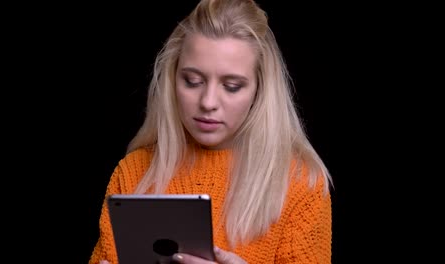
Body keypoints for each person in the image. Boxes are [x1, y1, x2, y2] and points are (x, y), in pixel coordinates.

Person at [89, 0, 333, 263]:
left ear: (260, 91)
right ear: (172, 79)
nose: (207, 102)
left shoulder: (301, 183)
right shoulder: (134, 172)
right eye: (192, 81)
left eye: (231, 86)